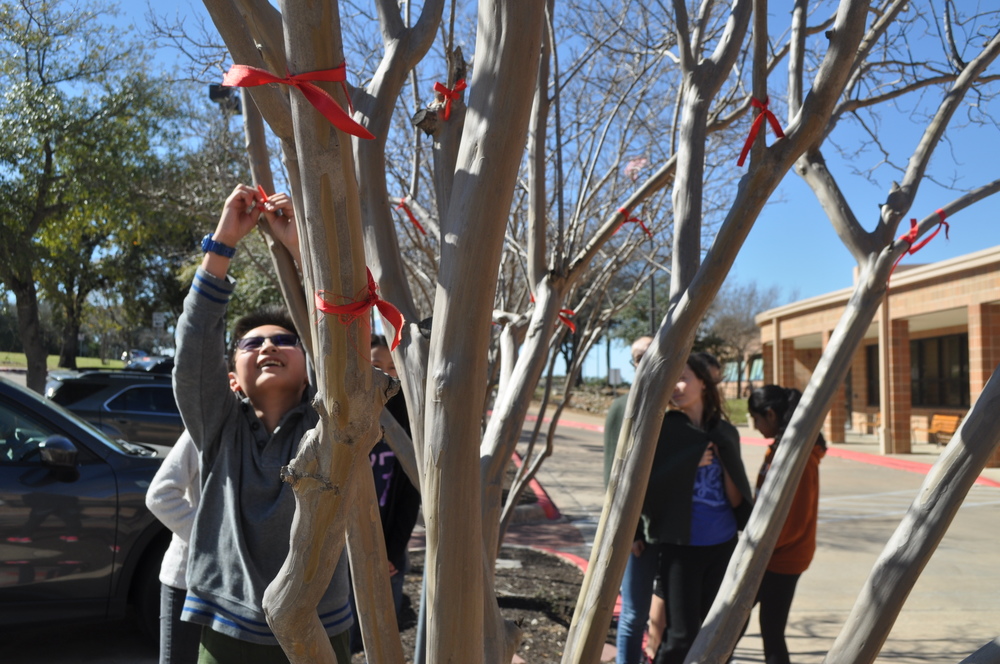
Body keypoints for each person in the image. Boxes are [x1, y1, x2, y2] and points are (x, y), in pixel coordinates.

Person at [172, 184, 353, 663]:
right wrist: (223, 242)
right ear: (232, 378)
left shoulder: (329, 423)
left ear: (309, 363)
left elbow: (342, 336)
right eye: (251, 344)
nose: (268, 346)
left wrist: (299, 249)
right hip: (226, 624)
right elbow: (192, 349)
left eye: (283, 340)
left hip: (320, 622)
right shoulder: (219, 428)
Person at [642, 354, 754, 664]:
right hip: (680, 548)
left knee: (721, 629)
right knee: (680, 636)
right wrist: (688, 464)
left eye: (684, 378)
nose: (675, 386)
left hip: (723, 544)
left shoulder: (724, 432)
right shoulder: (664, 429)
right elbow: (646, 486)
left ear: (703, 382)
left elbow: (735, 500)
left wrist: (721, 457)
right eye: (671, 380)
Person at [349, 335, 421, 652]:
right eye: (376, 366)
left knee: (381, 634)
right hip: (344, 547)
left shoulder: (409, 421)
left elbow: (410, 494)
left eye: (395, 368)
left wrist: (393, 550)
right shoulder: (348, 416)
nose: (387, 375)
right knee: (345, 634)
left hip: (388, 544)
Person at [747, 385, 826, 664]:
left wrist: (759, 547)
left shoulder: (799, 459)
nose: (755, 427)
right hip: (772, 553)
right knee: (745, 623)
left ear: (770, 414)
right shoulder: (779, 450)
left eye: (755, 419)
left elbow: (795, 520)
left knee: (766, 629)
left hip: (781, 557)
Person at [604, 336, 658, 664]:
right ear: (634, 365)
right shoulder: (622, 408)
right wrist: (632, 531)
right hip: (639, 534)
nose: (647, 360)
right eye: (640, 356)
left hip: (676, 531)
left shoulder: (674, 403)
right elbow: (613, 476)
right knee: (635, 612)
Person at [146, 431, 201, 664]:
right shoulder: (203, 424)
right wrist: (213, 540)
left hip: (236, 586)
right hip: (186, 582)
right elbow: (160, 496)